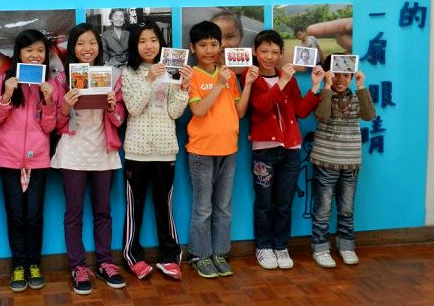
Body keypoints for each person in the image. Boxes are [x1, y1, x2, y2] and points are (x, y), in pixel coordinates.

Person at [51, 23, 127, 295]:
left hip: (103, 152)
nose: (87, 48)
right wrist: (64, 107)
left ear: (99, 46)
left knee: (103, 212)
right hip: (73, 152)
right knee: (73, 214)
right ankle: (78, 266)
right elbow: (55, 124)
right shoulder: (62, 79)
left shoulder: (112, 76)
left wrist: (112, 107)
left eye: (92, 43)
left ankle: (105, 263)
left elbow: (119, 120)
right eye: (81, 43)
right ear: (72, 48)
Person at [242, 30, 324, 270]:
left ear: (281, 54)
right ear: (255, 52)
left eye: (274, 52)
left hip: (291, 149)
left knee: (284, 203)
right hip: (264, 150)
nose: (269, 56)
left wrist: (315, 87)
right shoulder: (250, 77)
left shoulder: (288, 79)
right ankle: (264, 246)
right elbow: (262, 106)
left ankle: (280, 246)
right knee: (264, 203)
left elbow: (301, 111)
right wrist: (282, 82)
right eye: (264, 51)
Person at [186, 21, 259, 278]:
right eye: (203, 45)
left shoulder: (229, 75)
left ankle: (220, 253)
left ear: (220, 47)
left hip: (229, 148)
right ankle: (200, 254)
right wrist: (218, 84)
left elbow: (240, 112)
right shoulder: (191, 75)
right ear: (192, 48)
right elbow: (198, 110)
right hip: (201, 150)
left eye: (213, 44)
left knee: (224, 206)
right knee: (203, 207)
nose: (209, 50)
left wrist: (247, 84)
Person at [121, 20, 193, 281]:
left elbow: (174, 112)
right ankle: (132, 257)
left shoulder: (172, 72)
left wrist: (183, 89)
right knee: (134, 208)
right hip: (136, 151)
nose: (148, 46)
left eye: (153, 40)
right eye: (142, 41)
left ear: (160, 43)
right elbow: (133, 108)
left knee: (165, 207)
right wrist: (149, 79)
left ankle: (170, 257)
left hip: (165, 150)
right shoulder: (128, 73)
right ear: (135, 45)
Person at [0, 30, 56, 292]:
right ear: (19, 53)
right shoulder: (4, 81)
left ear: (46, 54)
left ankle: (34, 264)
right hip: (9, 159)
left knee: (35, 216)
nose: (35, 55)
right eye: (29, 50)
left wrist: (48, 100)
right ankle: (18, 265)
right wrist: (7, 95)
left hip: (38, 160)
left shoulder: (49, 83)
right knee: (16, 216)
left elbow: (50, 127)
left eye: (40, 50)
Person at [310, 56, 376, 268]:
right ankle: (320, 247)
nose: (340, 79)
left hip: (350, 163)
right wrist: (326, 86)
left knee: (346, 209)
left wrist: (361, 86)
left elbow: (369, 115)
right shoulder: (323, 95)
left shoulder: (357, 97)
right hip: (325, 161)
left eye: (346, 74)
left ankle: (346, 245)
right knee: (323, 209)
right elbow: (322, 116)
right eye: (335, 74)